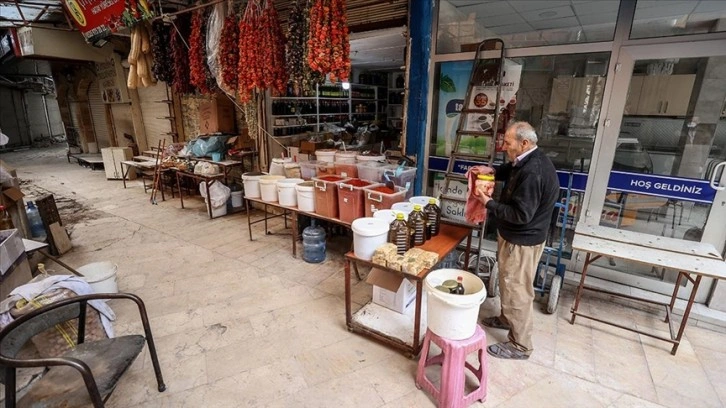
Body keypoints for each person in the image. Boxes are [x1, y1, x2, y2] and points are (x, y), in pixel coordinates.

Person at [476, 121, 559, 360]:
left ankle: (521, 345)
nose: (504, 147)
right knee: (508, 283)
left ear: (524, 143)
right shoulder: (528, 160)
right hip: (516, 237)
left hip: (522, 241)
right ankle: (506, 318)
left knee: (517, 290)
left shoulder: (534, 172)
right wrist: (492, 171)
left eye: (508, 142)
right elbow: (512, 170)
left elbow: (520, 215)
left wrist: (488, 204)